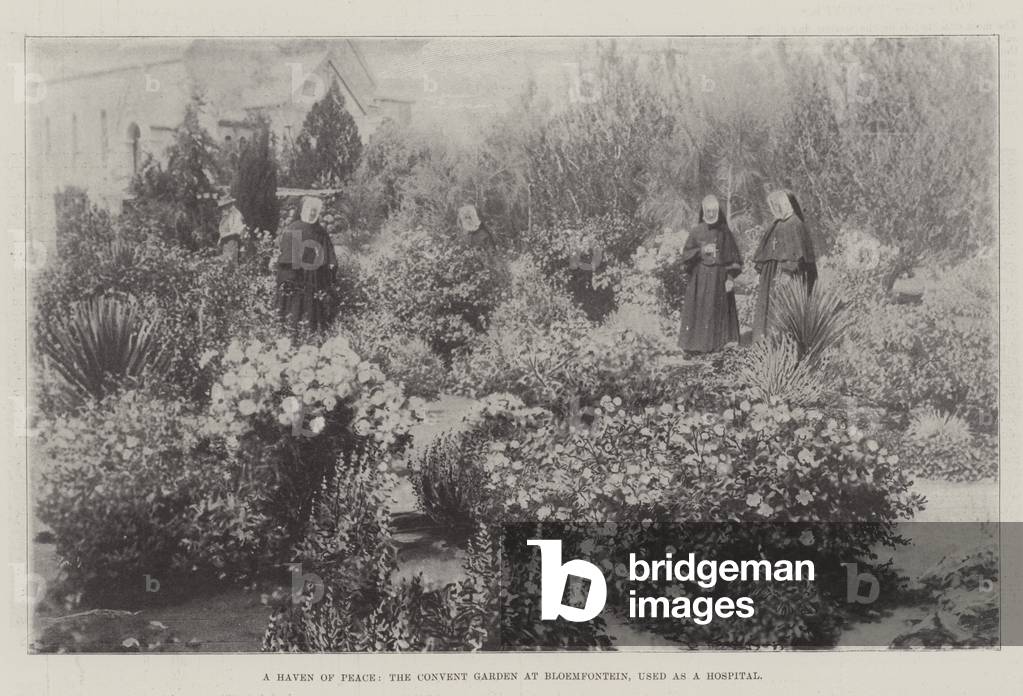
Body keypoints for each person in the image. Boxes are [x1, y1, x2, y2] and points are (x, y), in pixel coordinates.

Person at [678, 194, 743, 353]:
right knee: (699, 309)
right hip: (700, 279)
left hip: (718, 278)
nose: (711, 214)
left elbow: (733, 257)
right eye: (708, 211)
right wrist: (700, 251)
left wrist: (729, 278)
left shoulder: (724, 232)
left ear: (718, 211)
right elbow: (686, 254)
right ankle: (695, 346)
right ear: (704, 211)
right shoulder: (696, 231)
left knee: (716, 310)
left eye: (714, 210)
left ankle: (717, 347)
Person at [751, 189, 818, 342]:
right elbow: (765, 250)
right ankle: (764, 342)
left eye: (778, 205)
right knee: (767, 309)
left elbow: (798, 254)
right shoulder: (775, 225)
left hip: (787, 275)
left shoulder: (796, 224)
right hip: (770, 275)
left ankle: (781, 343)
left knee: (782, 309)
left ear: (786, 205)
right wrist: (759, 272)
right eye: (773, 206)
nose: (775, 209)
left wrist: (788, 271)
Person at [274, 196, 338, 333]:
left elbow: (329, 254)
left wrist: (331, 265)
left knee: (311, 306)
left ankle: (310, 333)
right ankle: (294, 333)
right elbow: (289, 260)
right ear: (303, 210)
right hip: (298, 275)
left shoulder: (320, 232)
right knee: (297, 304)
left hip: (314, 276)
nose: (311, 213)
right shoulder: (294, 229)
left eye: (314, 210)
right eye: (309, 209)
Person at [217, 196, 245, 264]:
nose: (223, 209)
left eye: (224, 206)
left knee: (232, 262)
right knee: (226, 263)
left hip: (233, 241)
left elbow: (236, 231)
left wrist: (223, 237)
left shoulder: (235, 214)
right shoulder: (227, 215)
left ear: (229, 205)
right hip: (227, 242)